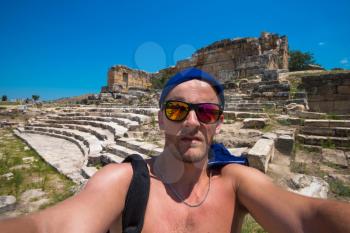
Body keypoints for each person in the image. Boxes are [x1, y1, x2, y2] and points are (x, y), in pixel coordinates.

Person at [1, 67, 350, 233]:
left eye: (207, 112)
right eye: (176, 110)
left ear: (219, 122)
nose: (193, 122)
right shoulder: (122, 183)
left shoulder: (237, 182)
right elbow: (51, 227)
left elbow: (310, 217)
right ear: (160, 120)